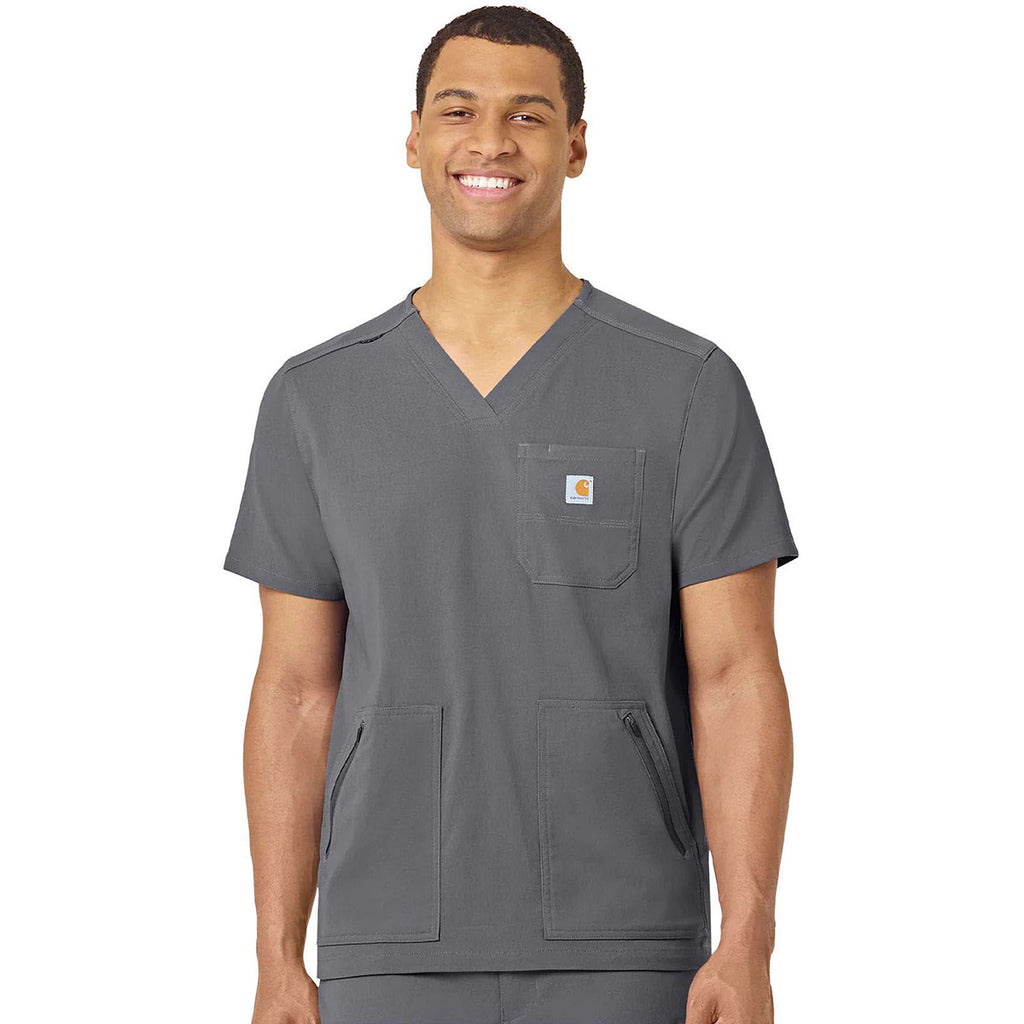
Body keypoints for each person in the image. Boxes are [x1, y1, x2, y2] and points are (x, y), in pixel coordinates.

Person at [223, 6, 799, 1023]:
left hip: (627, 940)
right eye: (459, 111)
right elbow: (297, 689)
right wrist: (276, 955)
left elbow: (735, 675)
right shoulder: (314, 399)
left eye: (527, 116)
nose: (490, 142)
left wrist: (747, 938)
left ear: (575, 146)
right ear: (413, 139)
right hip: (387, 940)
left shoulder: (686, 386)